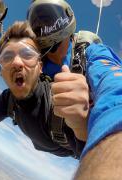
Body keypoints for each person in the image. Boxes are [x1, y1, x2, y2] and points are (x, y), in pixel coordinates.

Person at [0, 21, 89, 159]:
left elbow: (89, 155)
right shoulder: (7, 100)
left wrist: (81, 127)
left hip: (68, 149)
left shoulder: (59, 101)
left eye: (27, 54)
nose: (17, 63)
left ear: (40, 67)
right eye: (7, 57)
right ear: (1, 71)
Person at [26, 0, 122, 178]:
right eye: (37, 24)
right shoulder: (33, 60)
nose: (45, 27)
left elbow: (114, 88)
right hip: (54, 141)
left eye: (50, 17)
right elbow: (5, 56)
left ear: (66, 17)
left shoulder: (91, 52)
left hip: (74, 142)